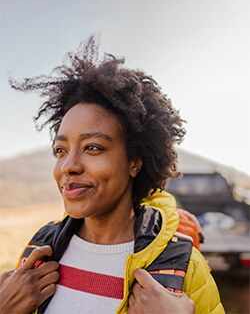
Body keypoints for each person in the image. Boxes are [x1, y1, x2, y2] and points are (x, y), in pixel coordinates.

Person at [1, 37, 224, 313]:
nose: (68, 166)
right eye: (60, 150)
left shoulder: (183, 265)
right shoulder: (40, 248)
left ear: (134, 162)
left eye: (92, 147)